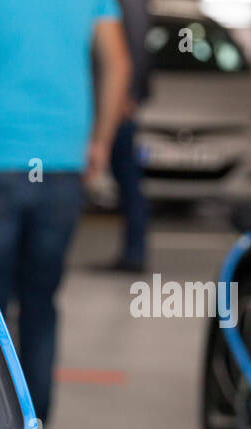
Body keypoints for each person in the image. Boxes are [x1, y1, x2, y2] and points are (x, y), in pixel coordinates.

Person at [0, 1, 130, 426]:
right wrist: (101, 141)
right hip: (60, 164)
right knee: (41, 298)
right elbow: (119, 64)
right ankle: (35, 424)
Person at [104, 0, 151, 273]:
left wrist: (127, 94)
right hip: (114, 97)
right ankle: (133, 251)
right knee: (126, 176)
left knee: (127, 177)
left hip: (117, 101)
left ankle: (135, 253)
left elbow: (134, 40)